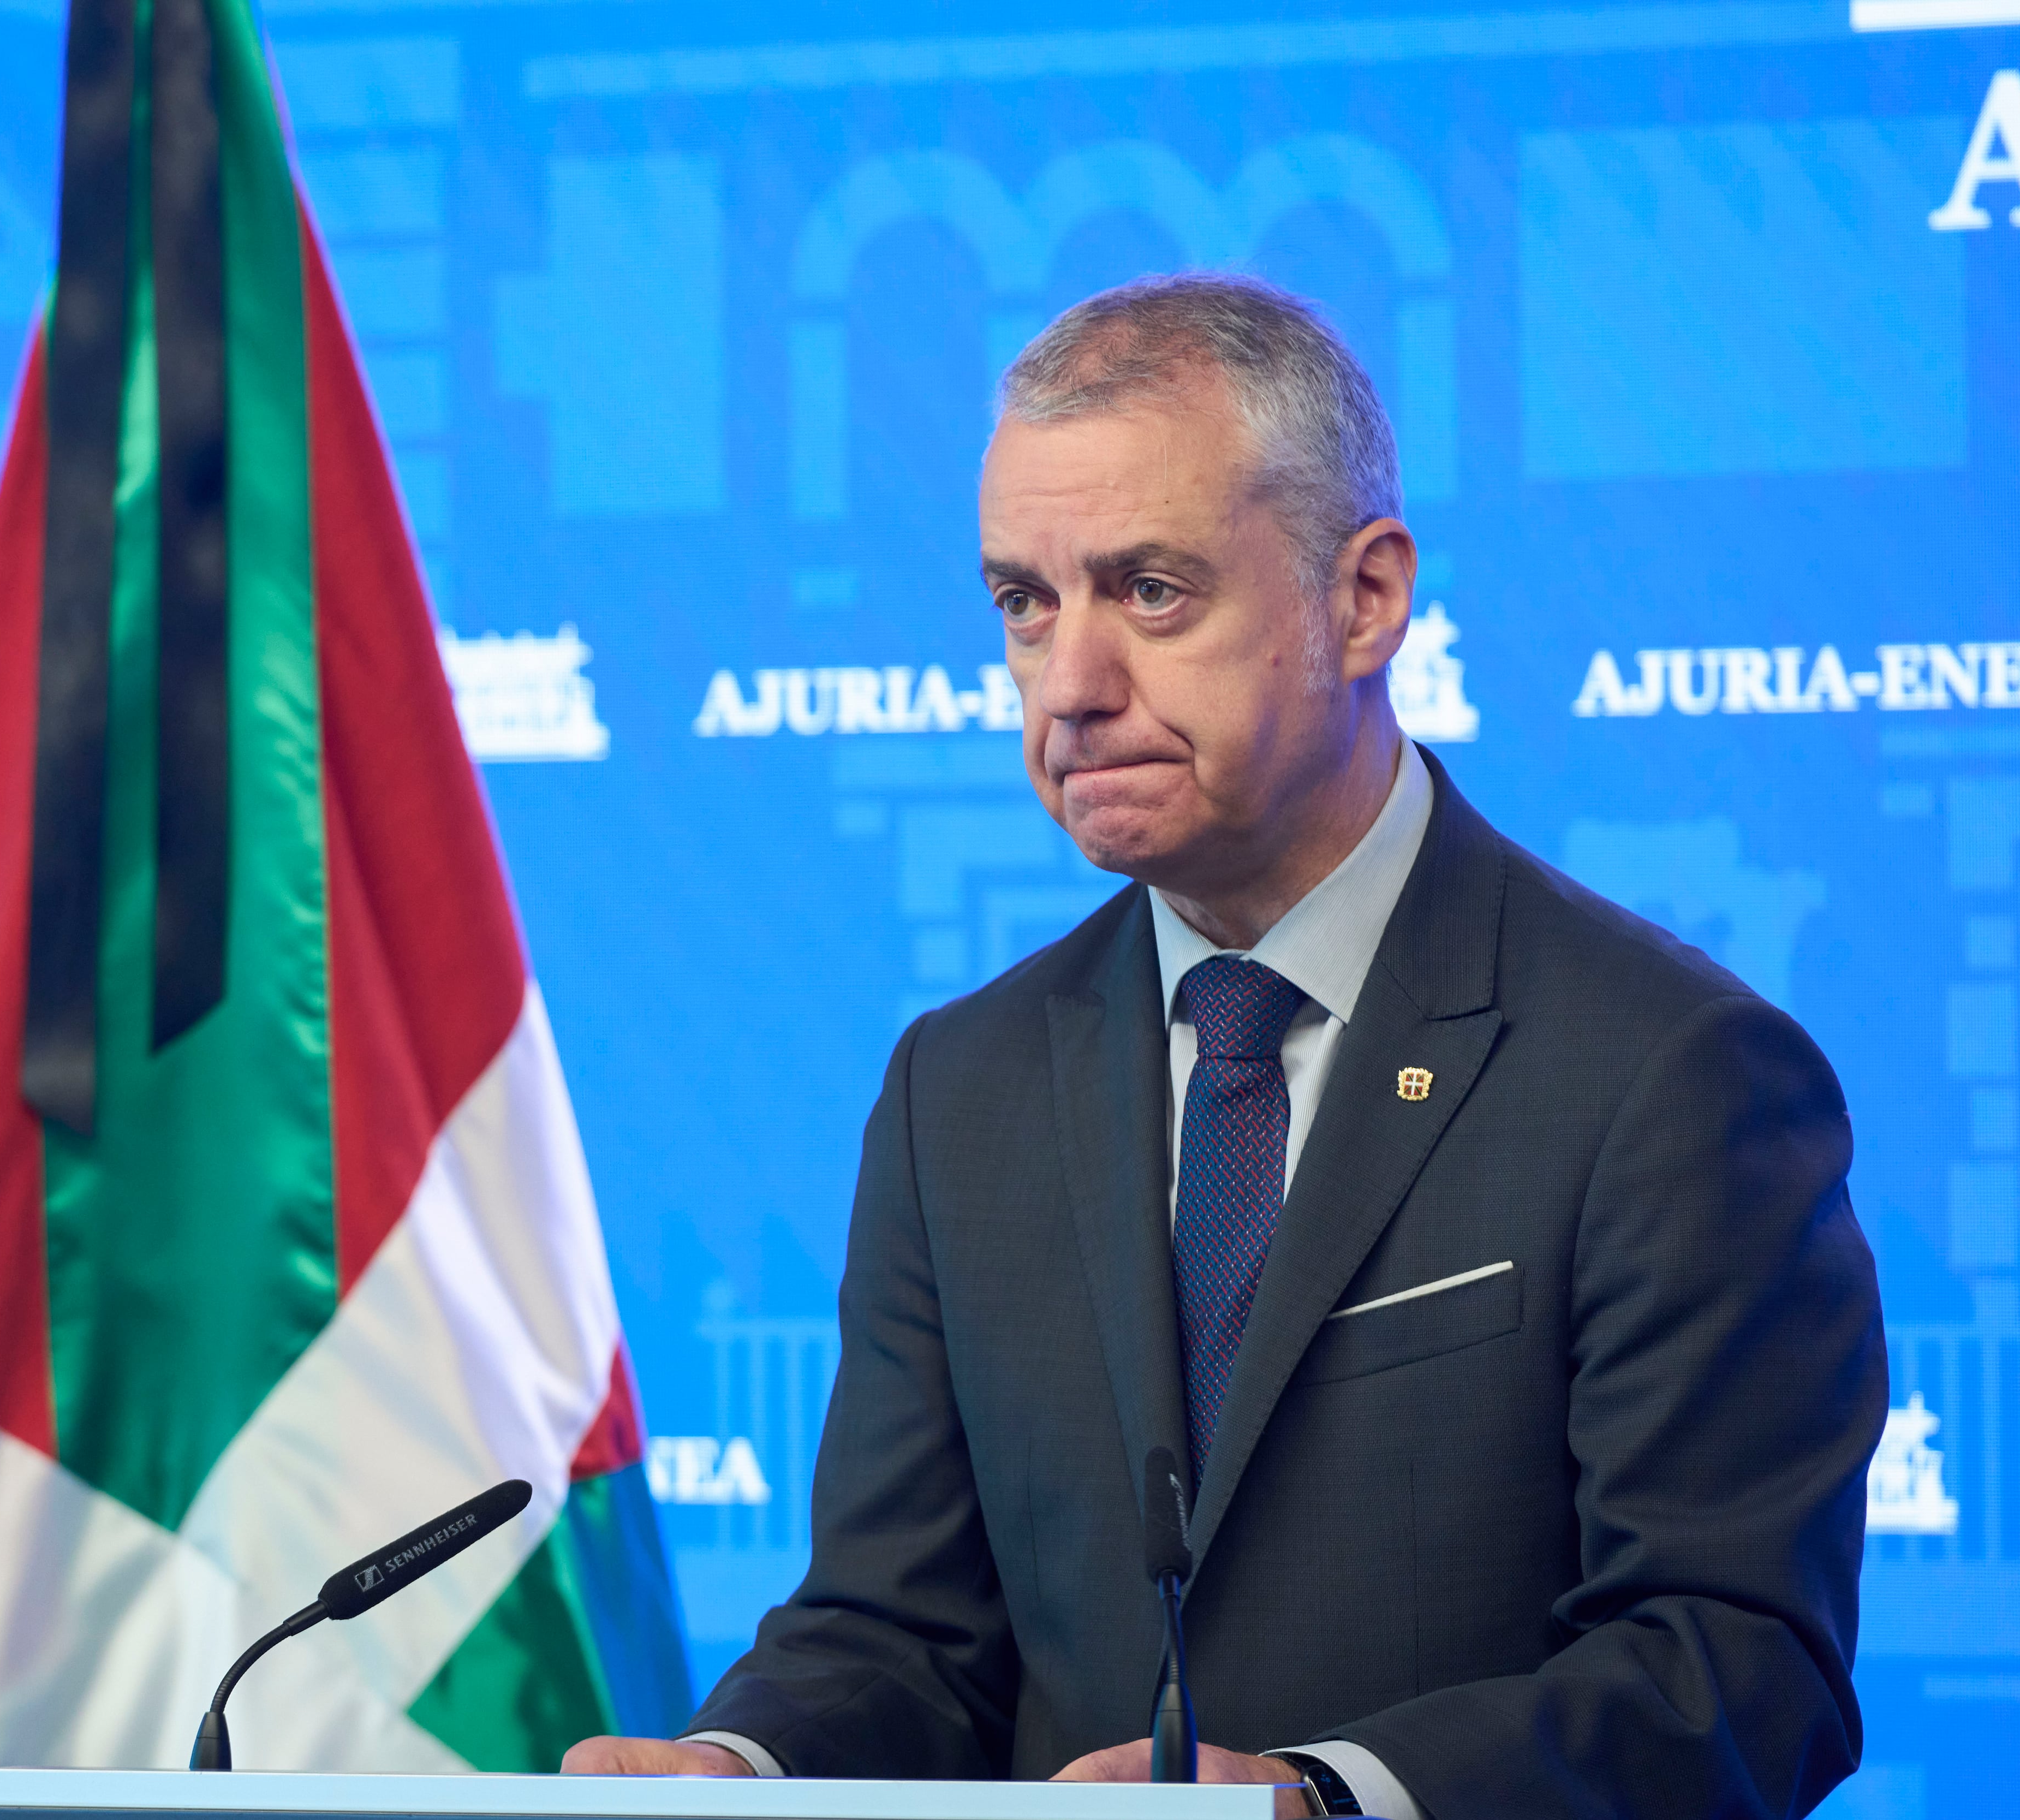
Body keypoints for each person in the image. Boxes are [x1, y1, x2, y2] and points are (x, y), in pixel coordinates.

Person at [563, 275, 1884, 1818]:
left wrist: (1333, 1798)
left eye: (1152, 591)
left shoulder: (1672, 1076)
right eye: (1024, 603)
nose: (1071, 685)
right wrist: (734, 1764)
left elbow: (1735, 1666)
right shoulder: (960, 1090)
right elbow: (902, 1633)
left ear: (1366, 598)